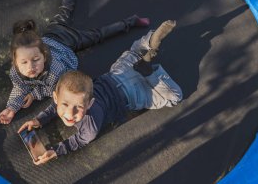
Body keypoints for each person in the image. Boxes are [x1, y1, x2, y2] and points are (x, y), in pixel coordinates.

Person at [18, 20, 183, 164]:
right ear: (56, 97)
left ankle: (148, 70)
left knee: (175, 97)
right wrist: (38, 120)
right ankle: (149, 42)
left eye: (78, 108)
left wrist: (56, 150)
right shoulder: (76, 99)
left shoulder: (91, 125)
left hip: (134, 94)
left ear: (90, 104)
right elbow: (55, 107)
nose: (69, 113)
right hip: (121, 71)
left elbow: (80, 140)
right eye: (65, 104)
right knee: (134, 52)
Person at [0, 0, 150, 124]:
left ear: (44, 55)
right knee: (65, 10)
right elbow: (19, 87)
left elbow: (53, 90)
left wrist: (33, 95)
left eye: (36, 59)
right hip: (51, 35)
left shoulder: (55, 70)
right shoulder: (16, 73)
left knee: (96, 33)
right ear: (15, 62)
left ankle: (130, 21)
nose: (31, 66)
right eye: (24, 62)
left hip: (66, 41)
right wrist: (11, 109)